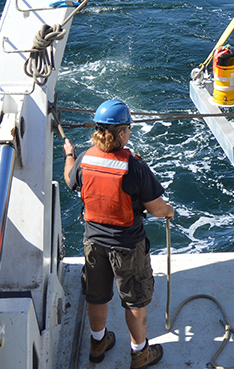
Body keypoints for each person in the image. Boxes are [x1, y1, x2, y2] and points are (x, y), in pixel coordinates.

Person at [64, 99, 174, 368]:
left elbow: (69, 179)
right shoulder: (134, 166)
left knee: (96, 296)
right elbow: (156, 208)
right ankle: (139, 353)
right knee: (134, 301)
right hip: (127, 246)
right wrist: (169, 210)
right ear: (122, 133)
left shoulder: (85, 159)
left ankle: (98, 342)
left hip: (93, 243)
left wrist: (69, 154)